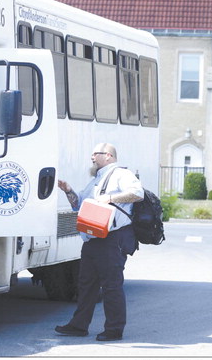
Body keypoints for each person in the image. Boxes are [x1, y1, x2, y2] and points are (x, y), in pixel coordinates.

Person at [55, 143, 143, 341]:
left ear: (109, 156)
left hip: (113, 238)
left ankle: (114, 329)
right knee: (86, 285)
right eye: (92, 153)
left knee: (111, 285)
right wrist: (68, 190)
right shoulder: (97, 178)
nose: (92, 157)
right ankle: (78, 326)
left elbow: (138, 194)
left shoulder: (121, 173)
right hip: (93, 239)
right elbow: (79, 204)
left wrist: (110, 198)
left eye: (96, 153)